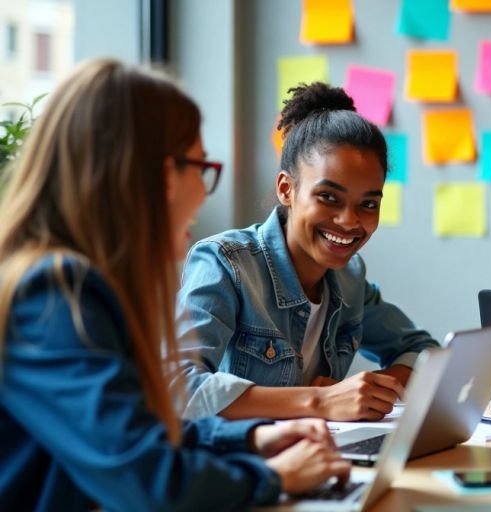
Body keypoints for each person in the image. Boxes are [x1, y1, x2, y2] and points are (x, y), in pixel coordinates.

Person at [0, 59, 349, 509]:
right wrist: (270, 476)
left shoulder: (70, 284)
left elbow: (138, 430)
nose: (205, 192)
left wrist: (255, 436)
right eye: (201, 167)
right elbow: (145, 477)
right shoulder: (51, 295)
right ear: (164, 175)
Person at [176, 82, 439, 422]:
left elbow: (424, 351)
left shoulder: (349, 278)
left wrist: (374, 390)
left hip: (316, 457)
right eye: (328, 197)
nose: (349, 220)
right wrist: (320, 401)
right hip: (241, 464)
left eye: (368, 203)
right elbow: (180, 389)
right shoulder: (225, 263)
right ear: (287, 189)